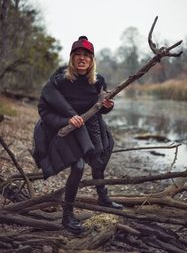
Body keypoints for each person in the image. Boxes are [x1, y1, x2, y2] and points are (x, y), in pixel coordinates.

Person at [33, 36, 123, 235]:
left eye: (87, 55)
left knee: (102, 153)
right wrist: (67, 121)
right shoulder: (59, 81)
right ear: (72, 58)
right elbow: (43, 110)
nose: (82, 58)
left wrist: (108, 106)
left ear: (92, 60)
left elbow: (100, 107)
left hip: (89, 126)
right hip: (65, 129)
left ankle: (103, 197)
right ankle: (67, 215)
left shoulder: (98, 80)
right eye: (78, 55)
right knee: (79, 166)